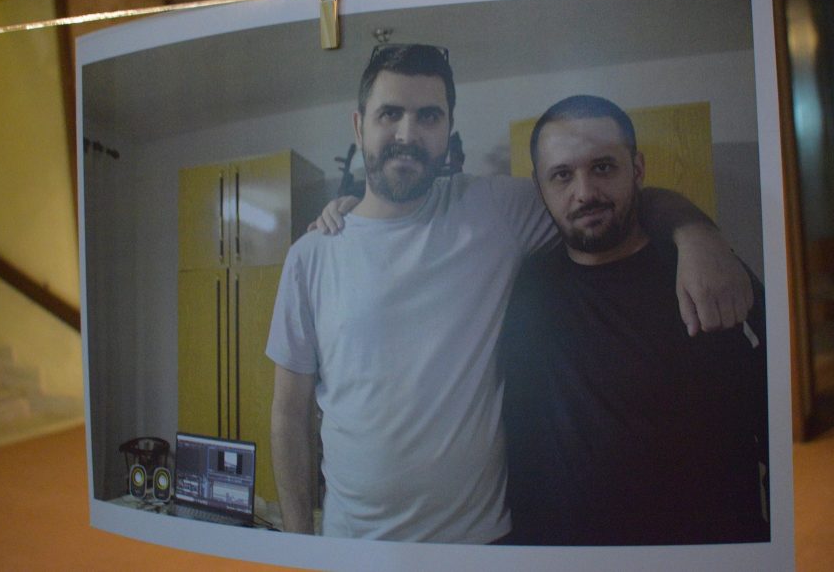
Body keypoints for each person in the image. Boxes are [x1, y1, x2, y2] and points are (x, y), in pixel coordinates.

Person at [266, 44, 752, 543]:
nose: (408, 134)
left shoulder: (494, 210)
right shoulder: (311, 256)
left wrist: (696, 233)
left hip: (484, 543)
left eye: (428, 116)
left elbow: (603, 201)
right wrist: (300, 541)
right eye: (390, 114)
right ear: (359, 126)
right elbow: (288, 413)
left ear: (448, 129)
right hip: (353, 546)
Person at [500, 95, 769, 546]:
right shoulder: (521, 281)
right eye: (562, 175)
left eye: (603, 167)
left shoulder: (705, 277)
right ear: (539, 186)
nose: (584, 193)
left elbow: (777, 413)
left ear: (637, 169)